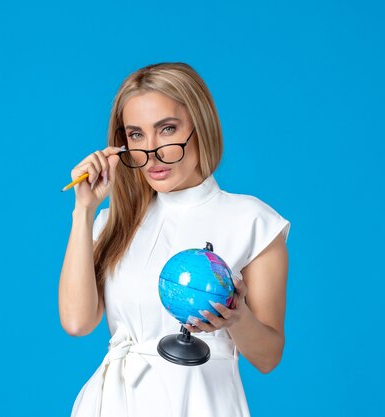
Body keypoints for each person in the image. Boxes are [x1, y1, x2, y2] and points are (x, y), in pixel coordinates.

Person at [58, 62, 291, 417]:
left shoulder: (252, 221)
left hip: (201, 404)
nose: (151, 151)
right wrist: (84, 210)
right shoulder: (111, 223)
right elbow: (77, 323)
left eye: (166, 129)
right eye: (135, 135)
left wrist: (237, 318)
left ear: (201, 126)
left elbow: (268, 357)